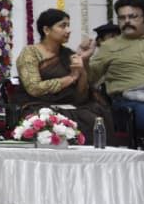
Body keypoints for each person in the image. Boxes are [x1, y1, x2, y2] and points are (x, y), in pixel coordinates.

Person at [87, 0, 144, 184]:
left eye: (132, 16)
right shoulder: (109, 47)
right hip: (131, 102)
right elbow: (90, 79)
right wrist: (85, 59)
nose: (127, 21)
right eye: (122, 18)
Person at [13, 8, 113, 140]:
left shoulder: (68, 54)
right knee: (55, 121)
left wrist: (84, 61)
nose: (68, 30)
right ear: (46, 30)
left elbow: (81, 97)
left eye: (68, 26)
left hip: (69, 106)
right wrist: (71, 78)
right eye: (62, 26)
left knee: (95, 117)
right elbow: (34, 88)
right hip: (38, 106)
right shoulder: (30, 53)